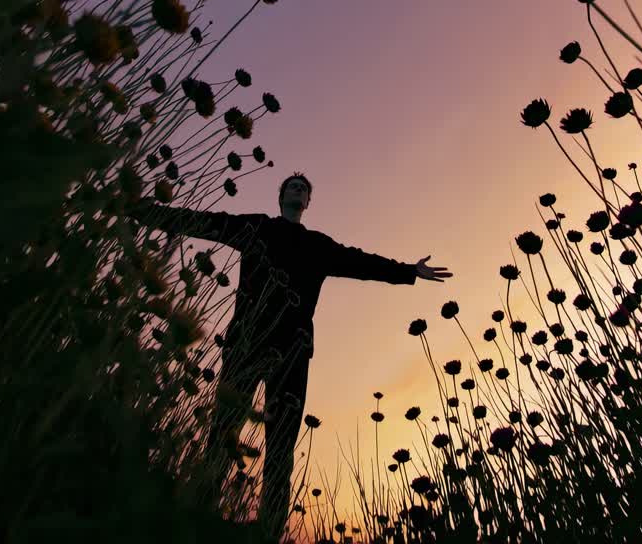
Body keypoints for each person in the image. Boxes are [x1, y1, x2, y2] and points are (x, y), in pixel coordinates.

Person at [128, 172, 452, 543]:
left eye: (304, 189)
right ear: (280, 196)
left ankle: (268, 530)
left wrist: (409, 270)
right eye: (292, 187)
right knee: (224, 429)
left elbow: (362, 263)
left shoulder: (318, 246)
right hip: (246, 345)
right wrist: (143, 212)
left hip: (292, 352)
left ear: (308, 203)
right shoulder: (256, 228)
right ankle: (202, 513)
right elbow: (204, 223)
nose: (297, 191)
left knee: (281, 444)